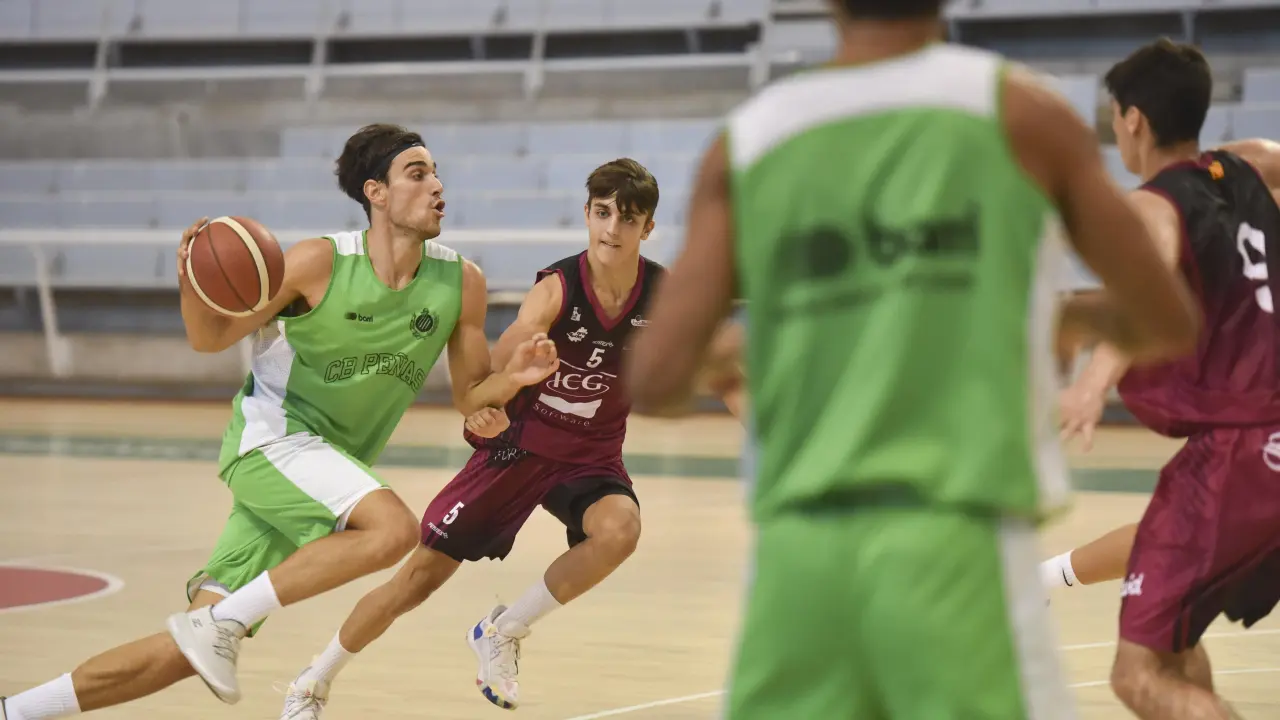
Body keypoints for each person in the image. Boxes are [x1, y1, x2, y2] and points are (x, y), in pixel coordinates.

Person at [624, 2, 1204, 718]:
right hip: (958, 547)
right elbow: (1168, 319)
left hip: (799, 563)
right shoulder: (1024, 114)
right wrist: (1059, 318)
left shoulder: (750, 139)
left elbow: (656, 378)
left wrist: (786, 338)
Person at [0, 123, 558, 720]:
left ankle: (16, 710)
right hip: (272, 441)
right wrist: (192, 278)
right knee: (392, 531)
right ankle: (222, 624)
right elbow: (211, 338)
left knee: (188, 649)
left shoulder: (460, 282)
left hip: (321, 474)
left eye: (436, 173)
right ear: (375, 192)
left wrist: (514, 379)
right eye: (417, 174)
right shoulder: (319, 263)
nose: (437, 186)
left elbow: (472, 396)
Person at [273, 157, 744, 718]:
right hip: (517, 449)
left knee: (620, 530)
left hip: (589, 456)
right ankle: (312, 682)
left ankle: (503, 630)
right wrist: (493, 404)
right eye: (602, 213)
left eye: (627, 218)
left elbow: (727, 375)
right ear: (587, 215)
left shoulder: (664, 296)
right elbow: (490, 380)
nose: (612, 229)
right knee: (416, 581)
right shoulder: (555, 291)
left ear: (648, 228)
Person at [1028, 40, 1280, 720]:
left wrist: (1090, 384)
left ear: (1132, 119)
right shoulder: (1249, 163)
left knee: (1137, 677)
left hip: (1239, 449)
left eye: (1114, 117)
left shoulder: (1155, 204)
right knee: (1173, 644)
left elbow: (1145, 292)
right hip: (1260, 443)